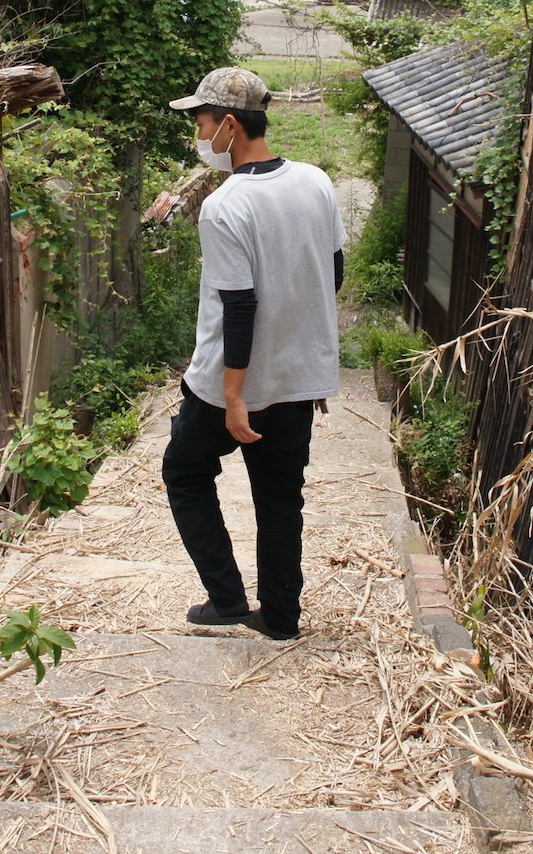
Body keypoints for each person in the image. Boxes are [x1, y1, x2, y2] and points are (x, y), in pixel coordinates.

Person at [161, 66, 345, 640]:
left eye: (202, 121)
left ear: (230, 125)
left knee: (185, 471)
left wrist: (237, 394)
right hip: (298, 379)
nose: (198, 133)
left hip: (227, 385)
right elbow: (332, 274)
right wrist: (298, 346)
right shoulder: (315, 182)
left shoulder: (226, 206)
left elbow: (238, 308)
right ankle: (282, 619)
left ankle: (228, 599)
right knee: (280, 499)